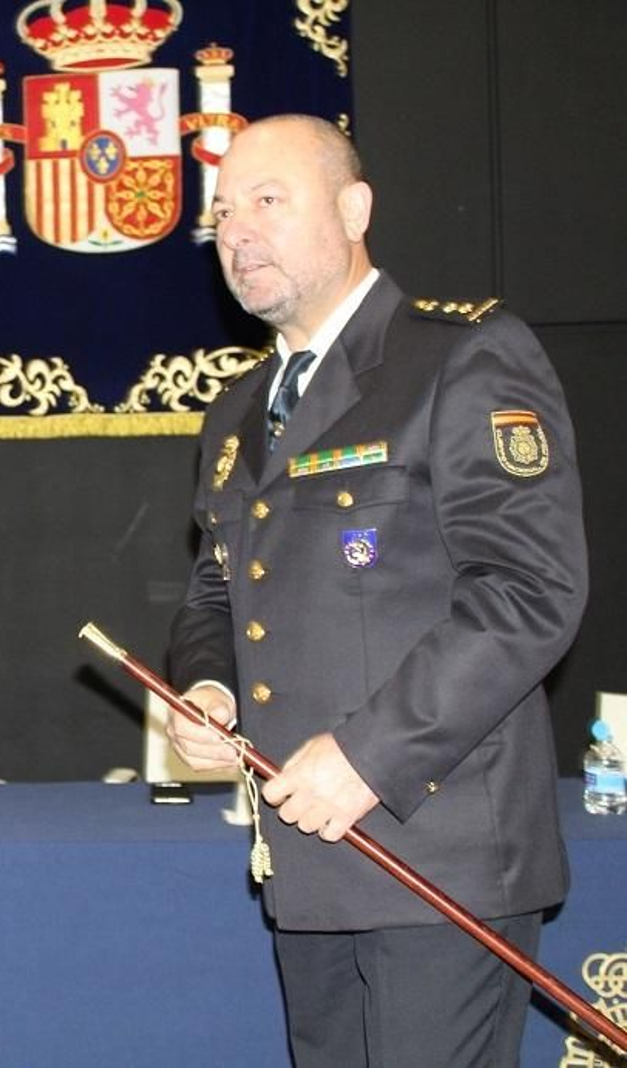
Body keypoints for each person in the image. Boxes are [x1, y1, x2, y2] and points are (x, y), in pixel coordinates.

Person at [166, 114, 586, 1066]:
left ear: (354, 210)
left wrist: (369, 754)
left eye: (268, 200)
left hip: (437, 855)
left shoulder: (461, 356)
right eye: (224, 213)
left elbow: (529, 590)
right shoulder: (238, 411)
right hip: (311, 860)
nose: (237, 232)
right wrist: (210, 688)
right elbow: (217, 591)